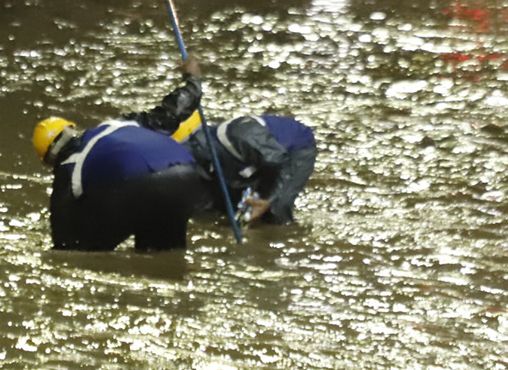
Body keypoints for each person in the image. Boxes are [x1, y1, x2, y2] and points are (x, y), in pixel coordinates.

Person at [31, 58, 208, 251]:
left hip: (141, 187)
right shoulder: (120, 124)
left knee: (83, 247)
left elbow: (63, 239)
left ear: (48, 160)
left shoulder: (68, 167)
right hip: (188, 178)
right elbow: (173, 111)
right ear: (72, 129)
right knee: (165, 256)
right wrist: (193, 79)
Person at [178, 113, 316, 225]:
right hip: (257, 159)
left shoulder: (242, 135)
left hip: (295, 150)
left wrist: (266, 199)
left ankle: (283, 236)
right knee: (225, 205)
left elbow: (277, 160)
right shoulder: (202, 148)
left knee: (277, 206)